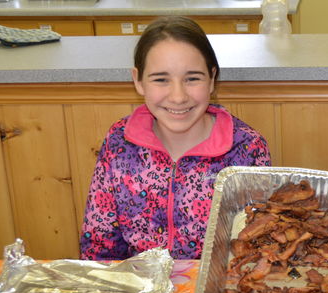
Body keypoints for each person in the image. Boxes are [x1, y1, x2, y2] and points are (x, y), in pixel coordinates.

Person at [80, 16, 271, 260]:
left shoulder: (247, 148)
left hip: (217, 292)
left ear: (212, 79)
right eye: (161, 79)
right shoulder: (119, 142)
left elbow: (259, 243)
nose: (178, 97)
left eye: (192, 78)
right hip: (136, 291)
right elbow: (98, 245)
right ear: (138, 81)